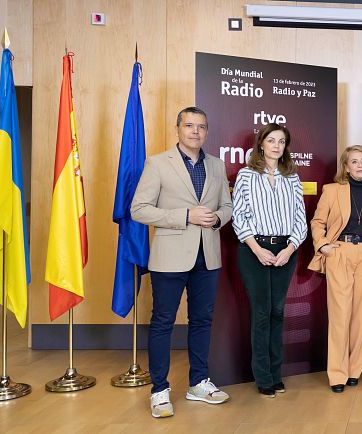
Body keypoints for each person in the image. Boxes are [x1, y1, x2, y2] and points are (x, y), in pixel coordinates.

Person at [131, 106, 233, 418]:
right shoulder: (158, 163)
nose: (195, 131)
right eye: (189, 125)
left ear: (207, 131)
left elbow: (227, 205)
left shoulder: (216, 165)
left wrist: (217, 218)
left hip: (208, 256)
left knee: (202, 321)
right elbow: (139, 209)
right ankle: (159, 390)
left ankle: (198, 382)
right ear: (178, 129)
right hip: (170, 257)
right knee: (163, 322)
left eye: (201, 126)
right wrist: (185, 216)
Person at [232, 122, 307, 398]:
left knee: (278, 312)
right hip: (255, 249)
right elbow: (239, 217)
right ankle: (263, 376)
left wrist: (290, 248)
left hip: (286, 248)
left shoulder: (292, 177)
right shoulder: (246, 175)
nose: (277, 145)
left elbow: (300, 217)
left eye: (281, 141)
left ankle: (276, 374)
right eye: (271, 140)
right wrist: (256, 248)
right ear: (261, 143)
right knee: (262, 314)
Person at [308, 145, 362, 393]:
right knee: (340, 314)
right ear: (346, 166)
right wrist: (323, 246)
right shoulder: (332, 191)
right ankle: (337, 374)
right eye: (354, 161)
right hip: (340, 252)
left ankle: (355, 370)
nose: (360, 165)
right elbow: (318, 221)